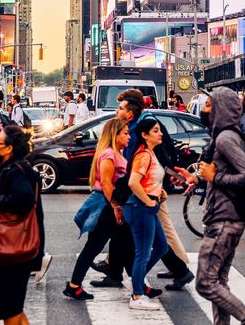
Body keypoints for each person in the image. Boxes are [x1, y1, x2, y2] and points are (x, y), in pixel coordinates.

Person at [195, 88, 245, 325]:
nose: (203, 110)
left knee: (205, 282)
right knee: (218, 281)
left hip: (225, 219)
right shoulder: (224, 136)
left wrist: (216, 179)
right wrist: (198, 178)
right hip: (226, 217)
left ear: (219, 109)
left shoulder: (226, 138)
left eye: (207, 105)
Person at [116, 90, 196, 290]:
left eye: (120, 108)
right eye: (157, 131)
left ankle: (175, 270)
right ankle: (120, 270)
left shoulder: (139, 133)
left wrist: (154, 195)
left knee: (156, 238)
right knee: (153, 240)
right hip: (148, 193)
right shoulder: (136, 129)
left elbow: (136, 173)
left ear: (131, 112)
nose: (160, 133)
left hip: (146, 194)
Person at [0, 126, 44, 325]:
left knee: (9, 308)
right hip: (15, 248)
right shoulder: (16, 167)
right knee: (12, 307)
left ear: (8, 148)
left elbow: (24, 200)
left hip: (12, 249)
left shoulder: (15, 170)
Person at [64, 118, 130, 299]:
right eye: (125, 133)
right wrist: (116, 207)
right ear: (115, 135)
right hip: (106, 207)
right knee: (93, 248)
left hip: (109, 206)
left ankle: (138, 284)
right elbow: (107, 184)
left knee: (125, 243)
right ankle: (74, 285)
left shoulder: (116, 152)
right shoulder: (109, 155)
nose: (128, 136)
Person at [123, 117, 169, 310]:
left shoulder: (151, 152)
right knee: (142, 253)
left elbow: (150, 179)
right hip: (140, 208)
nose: (160, 133)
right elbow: (133, 182)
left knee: (161, 247)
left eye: (160, 130)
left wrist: (160, 192)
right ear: (144, 135)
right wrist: (149, 200)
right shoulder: (144, 155)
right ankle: (137, 295)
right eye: (156, 130)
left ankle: (136, 280)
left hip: (147, 206)